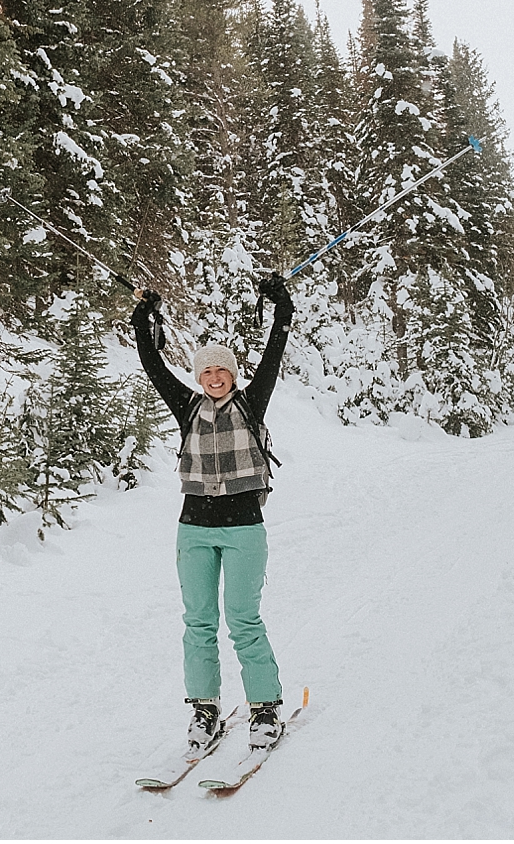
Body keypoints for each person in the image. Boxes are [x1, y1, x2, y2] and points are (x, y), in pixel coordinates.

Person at [130, 272, 294, 754]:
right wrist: (145, 316)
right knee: (198, 621)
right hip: (194, 528)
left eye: (221, 371)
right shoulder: (186, 407)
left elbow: (274, 351)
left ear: (233, 375)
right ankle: (205, 708)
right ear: (199, 378)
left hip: (244, 526)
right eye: (207, 372)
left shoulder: (250, 403)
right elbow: (150, 361)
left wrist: (279, 302)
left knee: (243, 619)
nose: (214, 378)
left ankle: (264, 709)